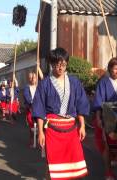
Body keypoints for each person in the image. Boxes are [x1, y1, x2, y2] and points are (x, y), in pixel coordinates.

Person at [32, 47, 90, 179]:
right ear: (51, 64)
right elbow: (39, 109)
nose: (60, 68)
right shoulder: (44, 84)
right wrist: (41, 132)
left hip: (71, 128)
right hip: (52, 129)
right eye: (57, 64)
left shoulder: (74, 82)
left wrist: (82, 125)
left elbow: (81, 104)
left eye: (63, 64)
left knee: (73, 164)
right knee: (52, 164)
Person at [23, 72, 38, 147]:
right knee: (32, 125)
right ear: (28, 79)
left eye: (34, 77)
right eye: (31, 77)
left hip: (39, 109)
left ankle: (39, 141)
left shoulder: (39, 87)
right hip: (30, 109)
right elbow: (27, 97)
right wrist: (32, 102)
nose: (32, 79)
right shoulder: (26, 87)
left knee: (40, 126)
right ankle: (32, 140)